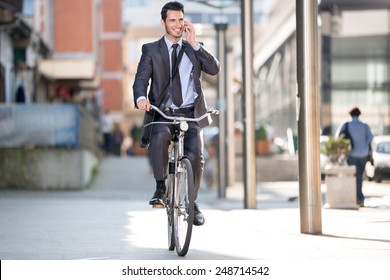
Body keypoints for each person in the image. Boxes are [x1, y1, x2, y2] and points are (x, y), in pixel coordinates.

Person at [132, 1, 220, 226]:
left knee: (195, 155)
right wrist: (141, 98)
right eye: (172, 20)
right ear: (163, 23)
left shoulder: (193, 47)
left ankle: (192, 202)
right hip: (163, 112)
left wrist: (196, 44)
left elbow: (214, 69)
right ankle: (160, 186)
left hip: (190, 113)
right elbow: (141, 78)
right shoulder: (151, 49)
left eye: (181, 19)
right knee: (159, 137)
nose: (177, 24)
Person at [337, 106, 373, 207]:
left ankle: (358, 198)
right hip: (363, 154)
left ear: (350, 114)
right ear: (359, 114)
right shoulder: (365, 125)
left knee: (355, 176)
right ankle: (359, 198)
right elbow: (370, 138)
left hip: (351, 154)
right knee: (359, 176)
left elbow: (338, 137)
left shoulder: (346, 124)